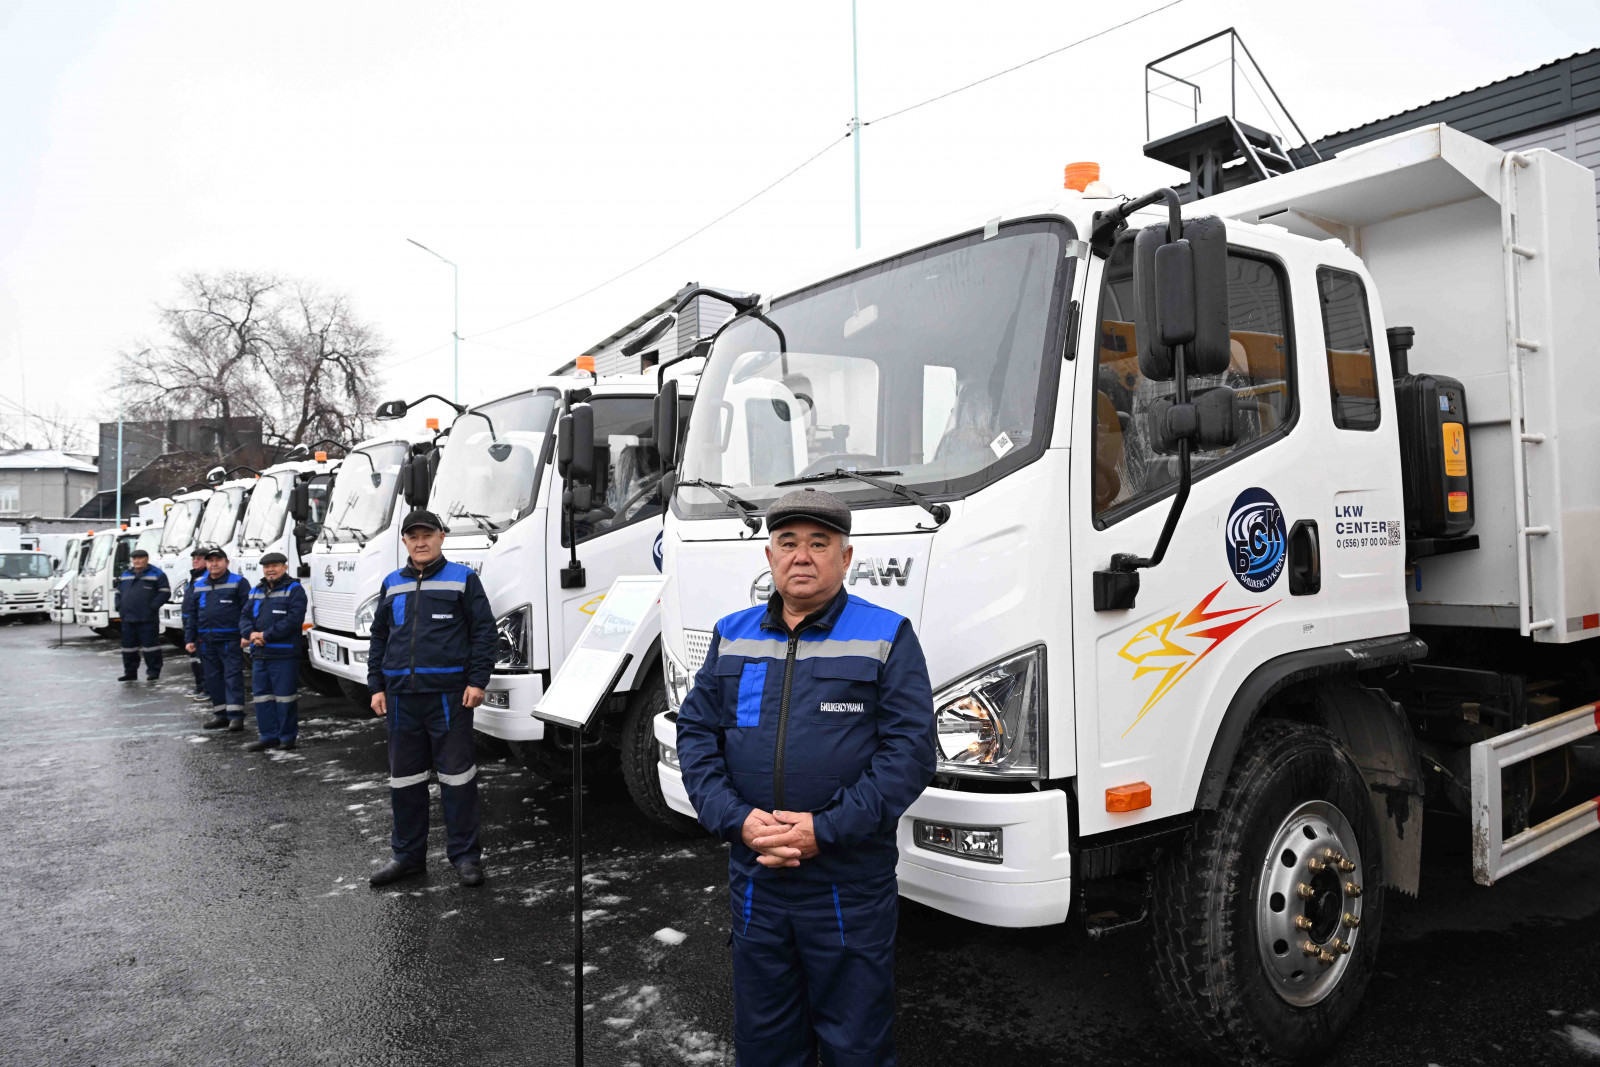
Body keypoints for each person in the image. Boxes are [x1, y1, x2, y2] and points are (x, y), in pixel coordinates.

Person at [676, 488, 936, 1067]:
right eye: (788, 542)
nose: (801, 556)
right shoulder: (733, 634)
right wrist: (736, 820)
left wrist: (826, 829)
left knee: (856, 1044)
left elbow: (911, 753)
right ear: (769, 556)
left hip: (847, 882)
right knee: (765, 1041)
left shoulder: (887, 635)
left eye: (819, 543)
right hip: (756, 875)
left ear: (846, 558)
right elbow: (696, 734)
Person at [365, 509, 496, 889]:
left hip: (449, 698)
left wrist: (477, 681)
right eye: (413, 537)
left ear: (441, 537)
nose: (420, 542)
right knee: (405, 782)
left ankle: (466, 857)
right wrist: (376, 685)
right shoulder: (392, 583)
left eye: (427, 535)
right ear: (404, 541)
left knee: (458, 780)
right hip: (401, 698)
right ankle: (407, 858)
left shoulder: (463, 579)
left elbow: (484, 633)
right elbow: (380, 637)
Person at [239, 551, 308, 753]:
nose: (270, 570)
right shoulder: (256, 590)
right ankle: (267, 736)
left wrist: (266, 635)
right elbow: (244, 616)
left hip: (283, 655)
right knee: (262, 698)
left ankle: (287, 738)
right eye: (267, 567)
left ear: (284, 567)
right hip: (260, 653)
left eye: (275, 566)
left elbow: (294, 620)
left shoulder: (295, 589)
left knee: (285, 698)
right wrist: (250, 634)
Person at [184, 546, 250, 731]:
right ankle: (220, 714)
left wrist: (246, 633)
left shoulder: (239, 582)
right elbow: (193, 614)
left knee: (232, 677)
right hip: (206, 641)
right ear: (206, 563)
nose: (214, 564)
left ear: (226, 562)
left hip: (230, 639)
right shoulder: (199, 585)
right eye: (210, 560)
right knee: (212, 679)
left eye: (218, 560)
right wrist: (189, 639)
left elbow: (248, 611)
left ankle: (236, 716)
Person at [114, 548, 169, 682]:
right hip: (128, 618)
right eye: (134, 559)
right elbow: (118, 593)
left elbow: (165, 593)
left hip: (147, 618)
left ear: (147, 559)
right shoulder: (126, 574)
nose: (137, 561)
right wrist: (119, 607)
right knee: (128, 648)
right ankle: (130, 673)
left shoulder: (157, 574)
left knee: (151, 647)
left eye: (140, 558)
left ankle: (153, 672)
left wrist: (152, 607)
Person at [184, 549, 208, 698]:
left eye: (199, 558)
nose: (195, 561)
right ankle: (199, 686)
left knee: (203, 659)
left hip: (200, 624)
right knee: (194, 658)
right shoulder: (193, 577)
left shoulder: (207, 577)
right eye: (194, 558)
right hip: (189, 622)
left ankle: (206, 688)